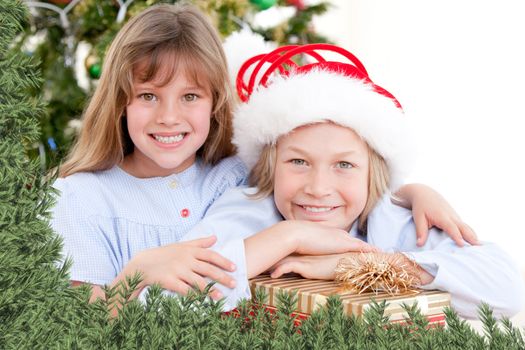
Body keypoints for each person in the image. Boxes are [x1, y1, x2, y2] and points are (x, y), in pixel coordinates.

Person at [51, 4, 476, 307]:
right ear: (119, 102)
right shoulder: (79, 198)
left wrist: (411, 192)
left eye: (190, 96)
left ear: (216, 102)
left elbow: (320, 177)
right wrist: (136, 273)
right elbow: (70, 329)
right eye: (147, 95)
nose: (169, 117)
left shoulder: (236, 175)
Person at [177, 42, 525, 319]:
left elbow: (508, 289)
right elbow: (161, 300)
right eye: (298, 161)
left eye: (343, 165)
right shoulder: (245, 212)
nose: (317, 187)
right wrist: (288, 236)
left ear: (374, 173)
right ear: (270, 166)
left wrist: (364, 266)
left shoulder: (389, 221)